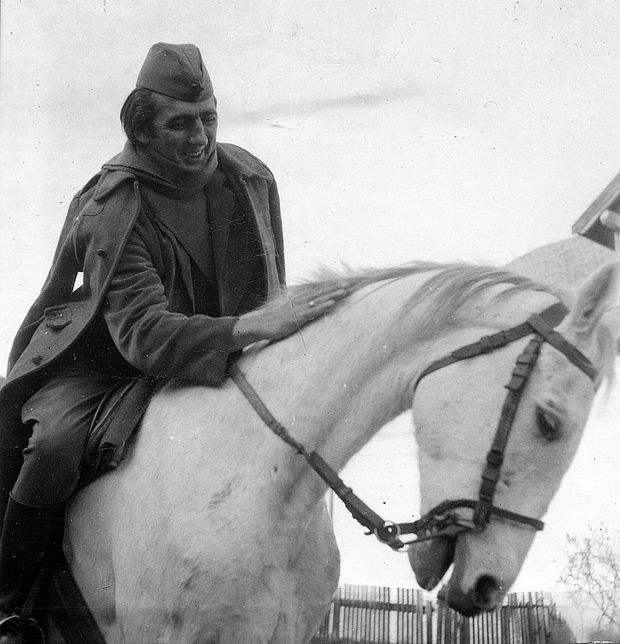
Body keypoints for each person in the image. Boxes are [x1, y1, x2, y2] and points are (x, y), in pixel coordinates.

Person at [0, 42, 347, 640]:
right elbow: (141, 334)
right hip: (105, 362)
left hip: (214, 351)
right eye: (180, 124)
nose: (200, 138)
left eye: (208, 117)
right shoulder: (111, 205)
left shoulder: (249, 178)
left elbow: (268, 287)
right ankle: (12, 605)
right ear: (142, 129)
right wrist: (246, 330)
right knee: (53, 448)